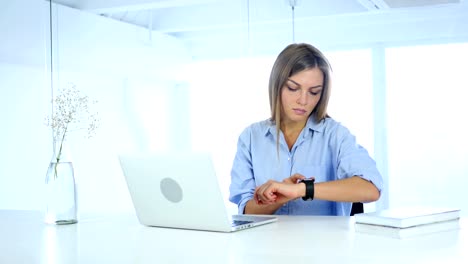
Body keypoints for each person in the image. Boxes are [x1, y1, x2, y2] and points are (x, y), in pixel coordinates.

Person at [229, 43, 383, 216]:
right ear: (276, 85)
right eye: (293, 88)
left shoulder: (336, 135)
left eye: (314, 92)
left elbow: (371, 188)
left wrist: (302, 190)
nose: (303, 100)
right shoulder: (251, 138)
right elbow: (246, 210)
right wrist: (282, 196)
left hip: (323, 242)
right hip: (268, 242)